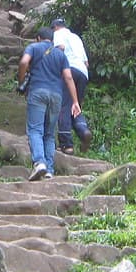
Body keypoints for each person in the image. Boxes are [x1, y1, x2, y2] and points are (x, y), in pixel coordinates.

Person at [18, 28, 80, 181]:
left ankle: (39, 163)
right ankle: (49, 170)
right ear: (52, 40)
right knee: (49, 133)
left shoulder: (33, 47)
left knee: (35, 129)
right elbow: (68, 77)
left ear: (38, 38)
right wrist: (75, 101)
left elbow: (24, 62)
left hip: (38, 92)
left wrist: (21, 81)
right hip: (56, 96)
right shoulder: (60, 54)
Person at [51, 18, 92, 154]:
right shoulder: (76, 37)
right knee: (76, 106)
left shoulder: (58, 34)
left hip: (70, 71)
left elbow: (60, 49)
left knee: (64, 106)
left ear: (55, 27)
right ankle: (83, 131)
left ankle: (66, 144)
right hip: (83, 73)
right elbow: (86, 63)